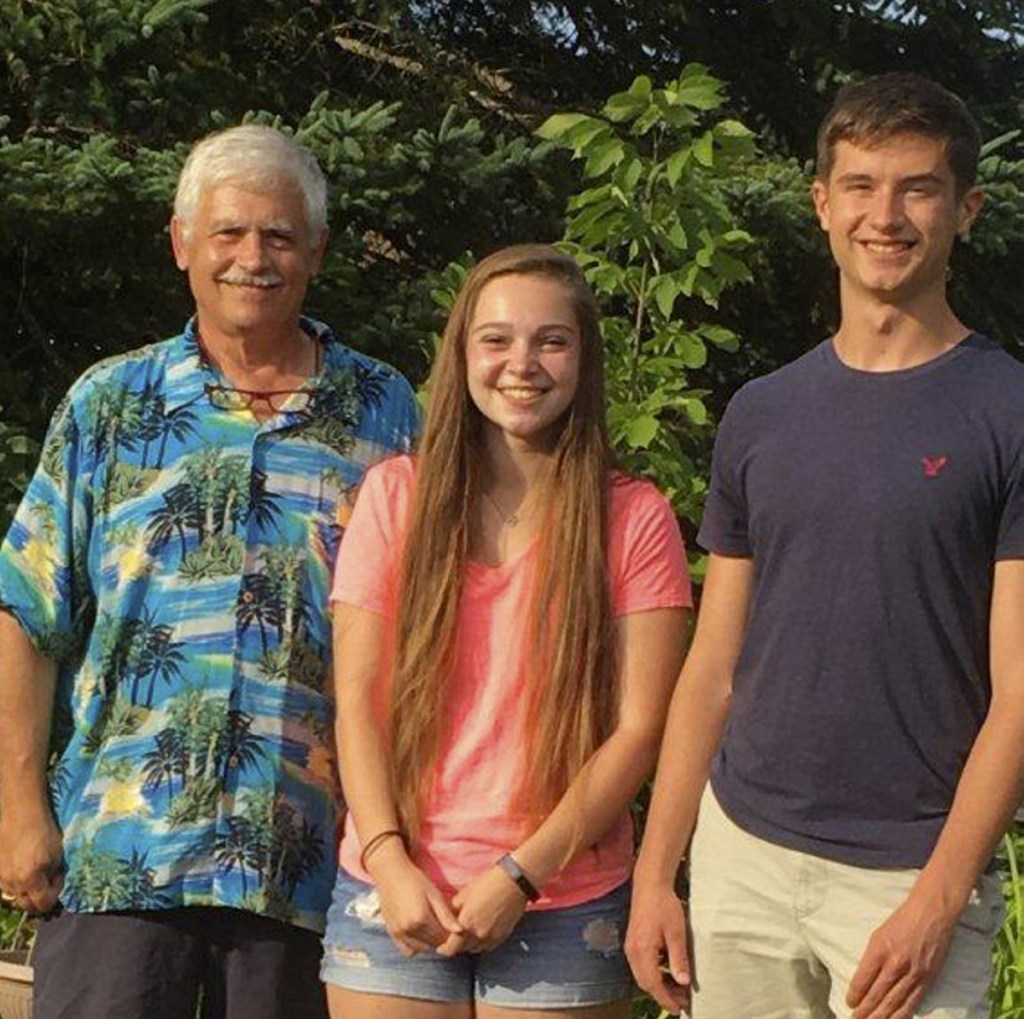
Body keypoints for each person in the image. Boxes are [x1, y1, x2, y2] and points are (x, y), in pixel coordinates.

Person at [626, 72, 1024, 1019]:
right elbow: (712, 668)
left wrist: (936, 901)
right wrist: (657, 873)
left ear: (964, 208)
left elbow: (1021, 692)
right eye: (860, 185)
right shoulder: (761, 414)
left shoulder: (1009, 410)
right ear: (821, 203)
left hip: (909, 873)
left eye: (917, 188)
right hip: (742, 857)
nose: (885, 216)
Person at [0, 124, 419, 1019]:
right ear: (182, 242)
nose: (252, 258)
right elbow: (29, 607)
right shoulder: (110, 404)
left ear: (316, 249)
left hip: (305, 860)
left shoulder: (385, 412)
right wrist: (18, 808)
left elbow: (432, 631)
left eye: (277, 235)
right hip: (118, 856)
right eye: (228, 233)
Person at [320, 244, 692, 1017]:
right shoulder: (396, 499)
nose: (522, 362)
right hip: (394, 889)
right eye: (496, 339)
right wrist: (389, 861)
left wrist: (523, 873)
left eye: (551, 340)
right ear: (461, 354)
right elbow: (356, 702)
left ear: (583, 359)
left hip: (562, 894)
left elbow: (640, 726)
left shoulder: (633, 517)